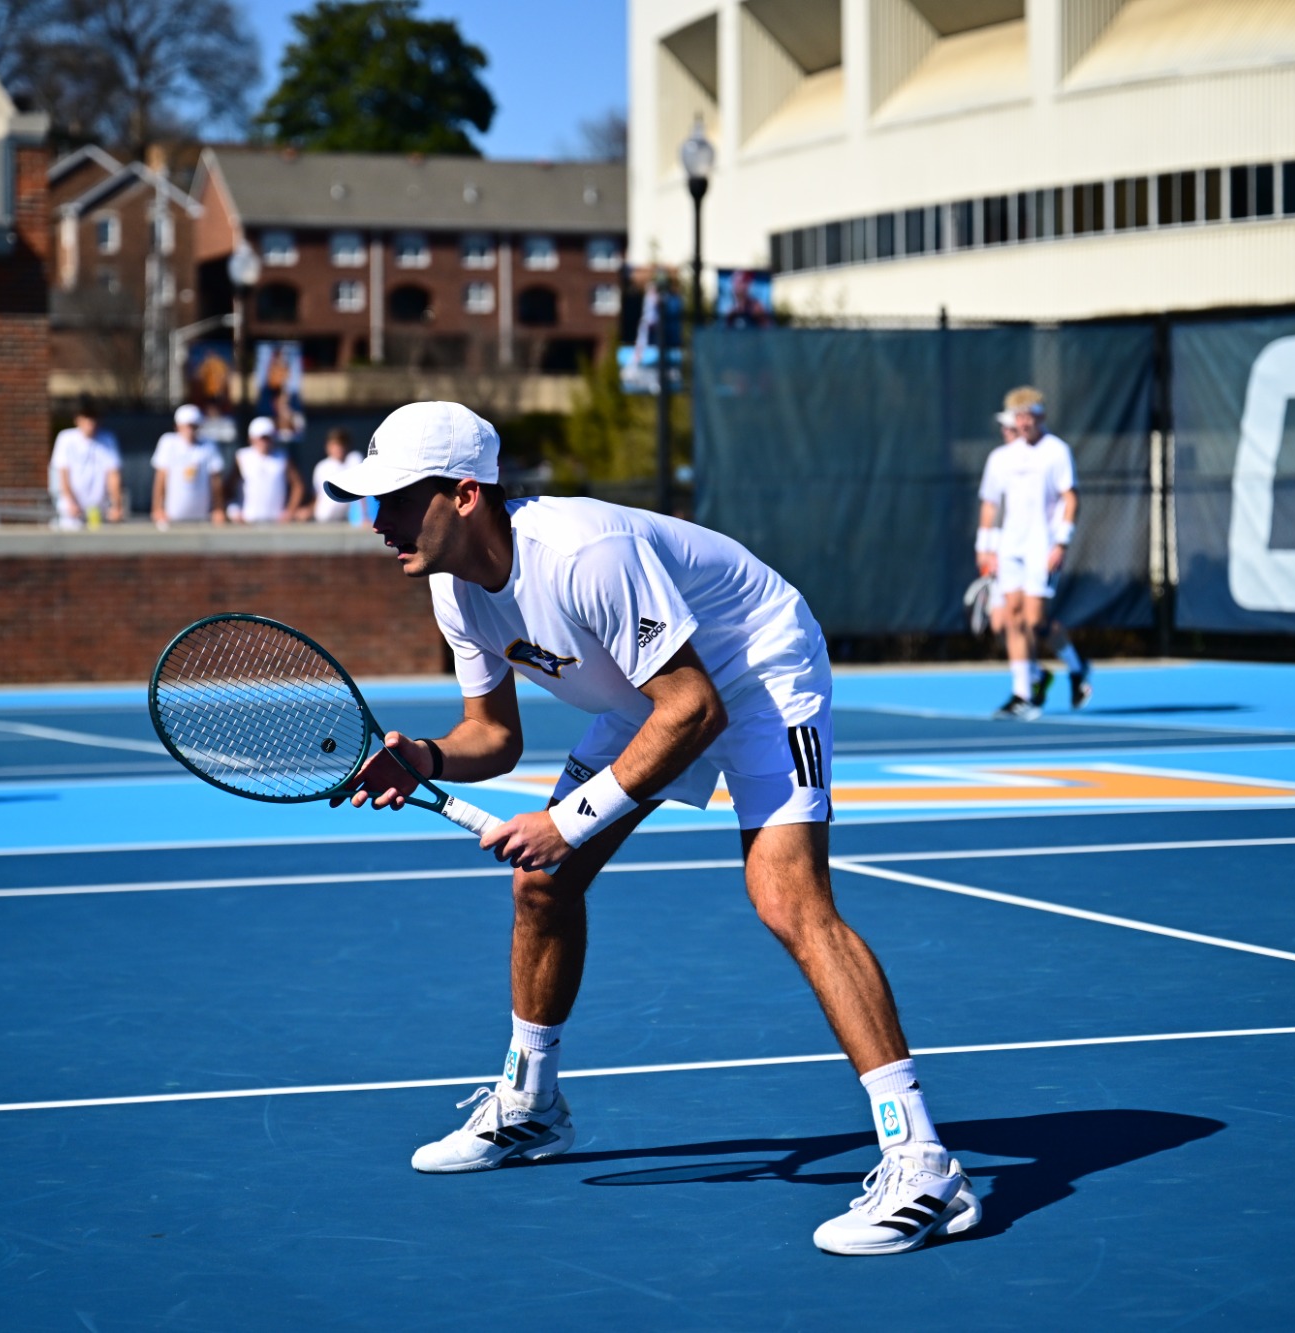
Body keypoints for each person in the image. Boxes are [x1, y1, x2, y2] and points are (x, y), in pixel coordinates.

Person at [327, 401, 980, 1258]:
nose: (376, 522)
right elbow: (495, 734)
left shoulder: (585, 555)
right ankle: (531, 1107)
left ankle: (924, 1162)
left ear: (464, 494)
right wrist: (424, 757)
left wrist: (570, 818)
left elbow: (699, 706)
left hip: (755, 670)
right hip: (659, 691)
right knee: (541, 883)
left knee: (787, 898)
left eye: (396, 500)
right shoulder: (457, 591)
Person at [975, 387, 1091, 718]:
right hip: (1010, 548)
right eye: (1018, 417)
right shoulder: (1002, 457)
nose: (1023, 423)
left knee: (1035, 620)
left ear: (1039, 416)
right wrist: (985, 549)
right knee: (1011, 619)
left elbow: (1070, 498)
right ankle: (1023, 693)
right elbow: (991, 504)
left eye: (1028, 416)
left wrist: (1061, 542)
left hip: (1042, 548)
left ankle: (1075, 667)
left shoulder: (1056, 452)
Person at [150, 404, 226, 528]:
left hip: (202, 518)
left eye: (193, 426)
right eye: (186, 426)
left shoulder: (209, 446)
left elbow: (216, 481)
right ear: (178, 426)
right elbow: (160, 477)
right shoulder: (168, 443)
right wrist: (157, 509)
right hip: (171, 518)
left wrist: (218, 509)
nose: (190, 430)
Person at [50, 404, 124, 530]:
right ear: (77, 419)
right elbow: (63, 474)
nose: (90, 422)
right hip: (71, 514)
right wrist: (71, 503)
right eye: (86, 417)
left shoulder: (108, 439)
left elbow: (113, 475)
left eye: (93, 418)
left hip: (99, 512)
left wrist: (116, 505)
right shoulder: (66, 438)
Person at [232, 415, 306, 523]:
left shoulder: (282, 457)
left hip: (276, 523)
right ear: (252, 438)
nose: (264, 442)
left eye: (268, 438)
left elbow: (298, 485)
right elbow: (228, 488)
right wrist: (233, 510)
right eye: (261, 438)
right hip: (247, 522)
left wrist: (290, 511)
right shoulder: (242, 457)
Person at [311, 428, 360, 523]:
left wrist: (364, 515)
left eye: (342, 444)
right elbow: (317, 495)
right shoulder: (321, 467)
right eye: (334, 445)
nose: (339, 448)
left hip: (347, 520)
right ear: (327, 447)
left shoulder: (355, 459)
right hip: (323, 520)